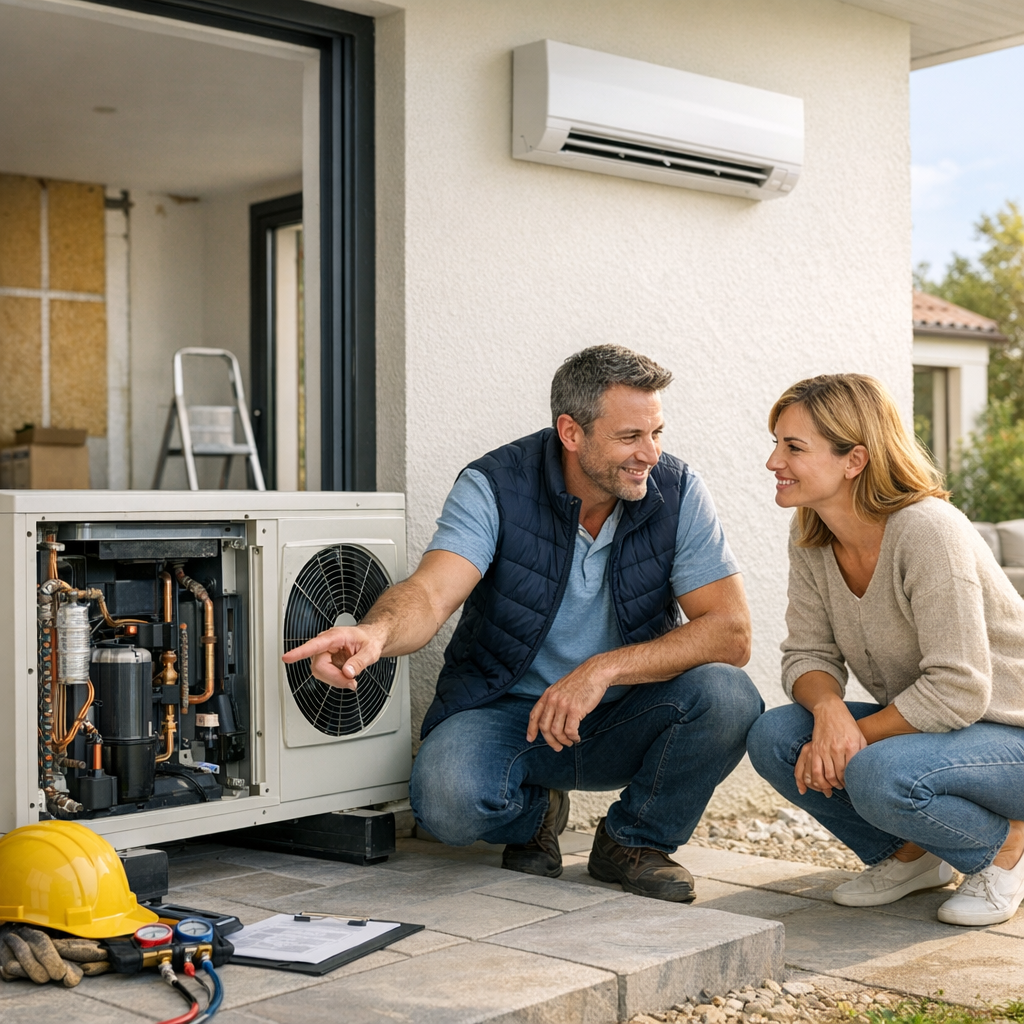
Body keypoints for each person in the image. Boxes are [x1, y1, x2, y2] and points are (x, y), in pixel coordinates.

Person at [285, 344, 762, 902]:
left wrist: (602, 671)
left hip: (626, 710)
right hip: (512, 712)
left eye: (657, 433)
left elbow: (731, 631)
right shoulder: (493, 485)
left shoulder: (677, 492)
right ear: (571, 432)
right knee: (445, 803)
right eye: (630, 437)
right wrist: (377, 632)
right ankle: (534, 811)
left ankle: (632, 841)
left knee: (729, 696)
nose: (650, 454)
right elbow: (433, 592)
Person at [747, 373, 1024, 927]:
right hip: (944, 734)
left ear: (854, 460)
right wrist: (828, 713)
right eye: (776, 443)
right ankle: (914, 855)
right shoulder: (813, 533)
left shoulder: (927, 530)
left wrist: (850, 738)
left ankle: (1006, 848)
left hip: (1011, 735)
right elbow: (806, 655)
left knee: (876, 772)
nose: (774, 461)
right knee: (775, 737)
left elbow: (959, 687)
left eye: (793, 447)